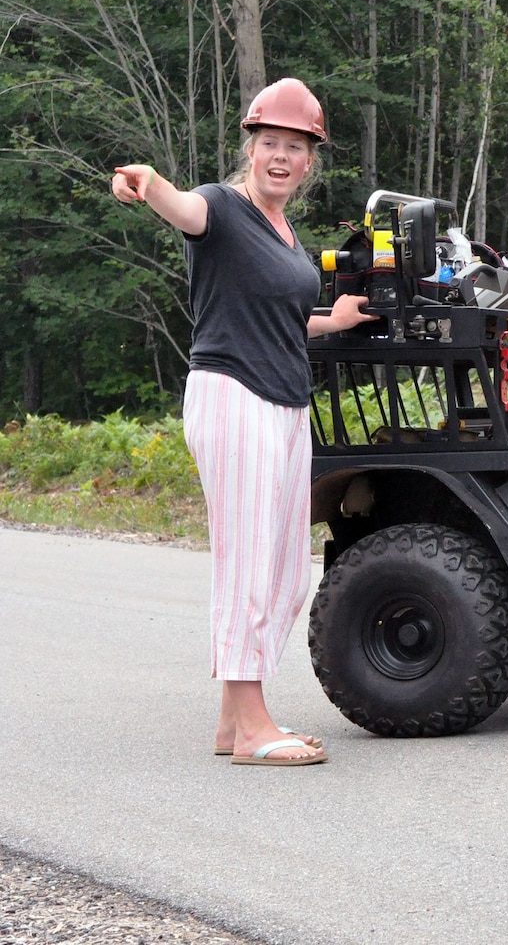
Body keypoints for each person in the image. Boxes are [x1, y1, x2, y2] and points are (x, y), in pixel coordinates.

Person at [110, 78, 376, 764]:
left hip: (284, 402)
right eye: (270, 145)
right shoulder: (223, 208)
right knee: (251, 559)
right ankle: (255, 725)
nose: (281, 157)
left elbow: (282, 319)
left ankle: (234, 722)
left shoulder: (287, 234)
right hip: (234, 396)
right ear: (250, 149)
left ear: (311, 160)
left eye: (295, 147)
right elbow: (181, 208)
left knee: (288, 566)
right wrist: (149, 184)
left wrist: (334, 319)